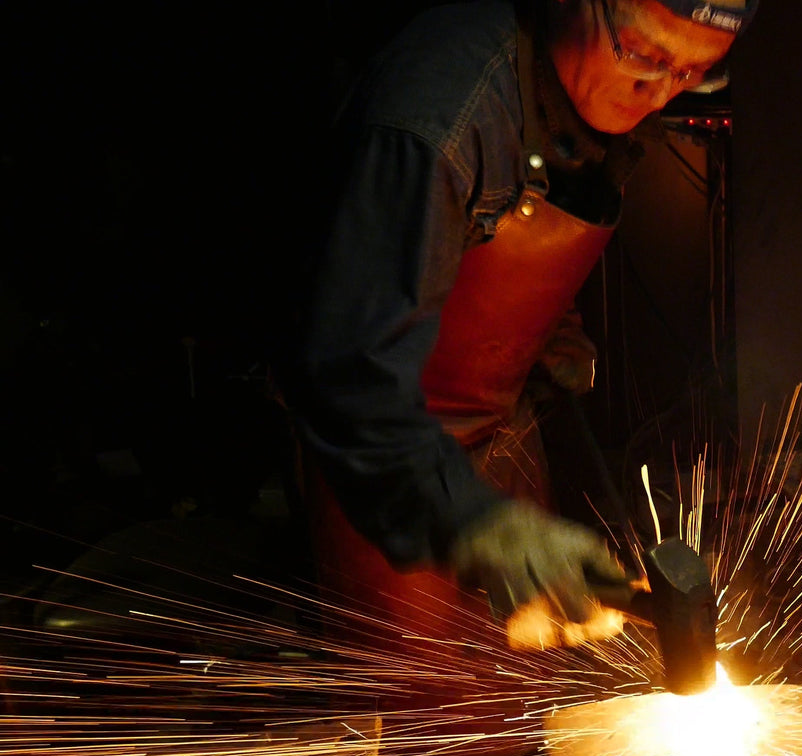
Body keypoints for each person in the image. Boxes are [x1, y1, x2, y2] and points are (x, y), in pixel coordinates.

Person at [285, 0, 757, 646]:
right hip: (379, 458)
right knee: (438, 727)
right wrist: (477, 524)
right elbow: (346, 380)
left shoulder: (589, 88)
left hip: (498, 427)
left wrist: (548, 334)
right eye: (644, 56)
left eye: (693, 71)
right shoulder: (435, 124)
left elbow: (520, 222)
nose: (658, 91)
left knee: (538, 672)